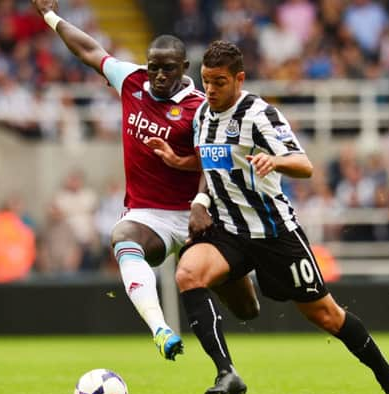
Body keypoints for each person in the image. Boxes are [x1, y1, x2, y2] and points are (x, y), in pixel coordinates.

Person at [174, 40, 389, 394]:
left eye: (219, 82)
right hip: (230, 231)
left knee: (326, 316)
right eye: (205, 81)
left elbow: (304, 165)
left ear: (239, 79)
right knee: (188, 273)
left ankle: (387, 375)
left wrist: (275, 161)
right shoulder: (202, 116)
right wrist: (197, 194)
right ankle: (227, 372)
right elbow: (211, 161)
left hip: (275, 234)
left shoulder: (259, 115)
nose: (211, 90)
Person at [30, 1, 258, 361]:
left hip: (197, 214)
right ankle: (160, 329)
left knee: (247, 310)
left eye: (168, 69)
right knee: (122, 237)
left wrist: (192, 186)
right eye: (154, 68)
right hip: (148, 215)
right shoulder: (132, 80)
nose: (159, 76)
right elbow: (90, 50)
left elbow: (215, 162)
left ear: (184, 68)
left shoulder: (200, 107)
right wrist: (51, 17)